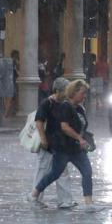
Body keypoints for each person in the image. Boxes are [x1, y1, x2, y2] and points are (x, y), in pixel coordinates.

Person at [31, 79, 96, 210]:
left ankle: (88, 202)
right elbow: (64, 127)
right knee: (54, 173)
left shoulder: (80, 108)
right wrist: (79, 138)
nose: (84, 96)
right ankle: (35, 194)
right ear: (74, 92)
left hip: (77, 149)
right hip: (62, 148)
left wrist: (85, 138)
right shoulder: (63, 106)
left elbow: (81, 125)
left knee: (87, 172)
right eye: (82, 93)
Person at [31, 77, 74, 209]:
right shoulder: (47, 103)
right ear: (57, 91)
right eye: (65, 91)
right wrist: (43, 139)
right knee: (43, 171)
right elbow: (39, 122)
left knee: (63, 172)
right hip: (48, 145)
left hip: (61, 145)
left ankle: (65, 200)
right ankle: (35, 198)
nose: (67, 94)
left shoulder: (66, 104)